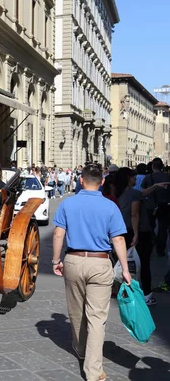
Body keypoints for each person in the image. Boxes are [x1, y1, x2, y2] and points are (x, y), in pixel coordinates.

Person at [52, 163, 131, 381]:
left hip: (74, 261)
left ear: (81, 180)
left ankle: (81, 349)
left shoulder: (68, 204)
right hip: (100, 262)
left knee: (76, 311)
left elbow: (58, 234)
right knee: (97, 318)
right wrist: (125, 269)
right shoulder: (110, 206)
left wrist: (56, 261)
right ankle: (93, 371)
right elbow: (118, 239)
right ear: (102, 182)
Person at [141, 158, 170, 257]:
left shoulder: (148, 177)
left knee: (150, 226)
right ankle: (160, 249)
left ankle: (151, 243)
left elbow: (143, 189)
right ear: (162, 166)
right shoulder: (167, 176)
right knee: (163, 228)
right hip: (164, 205)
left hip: (150, 206)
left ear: (152, 166)